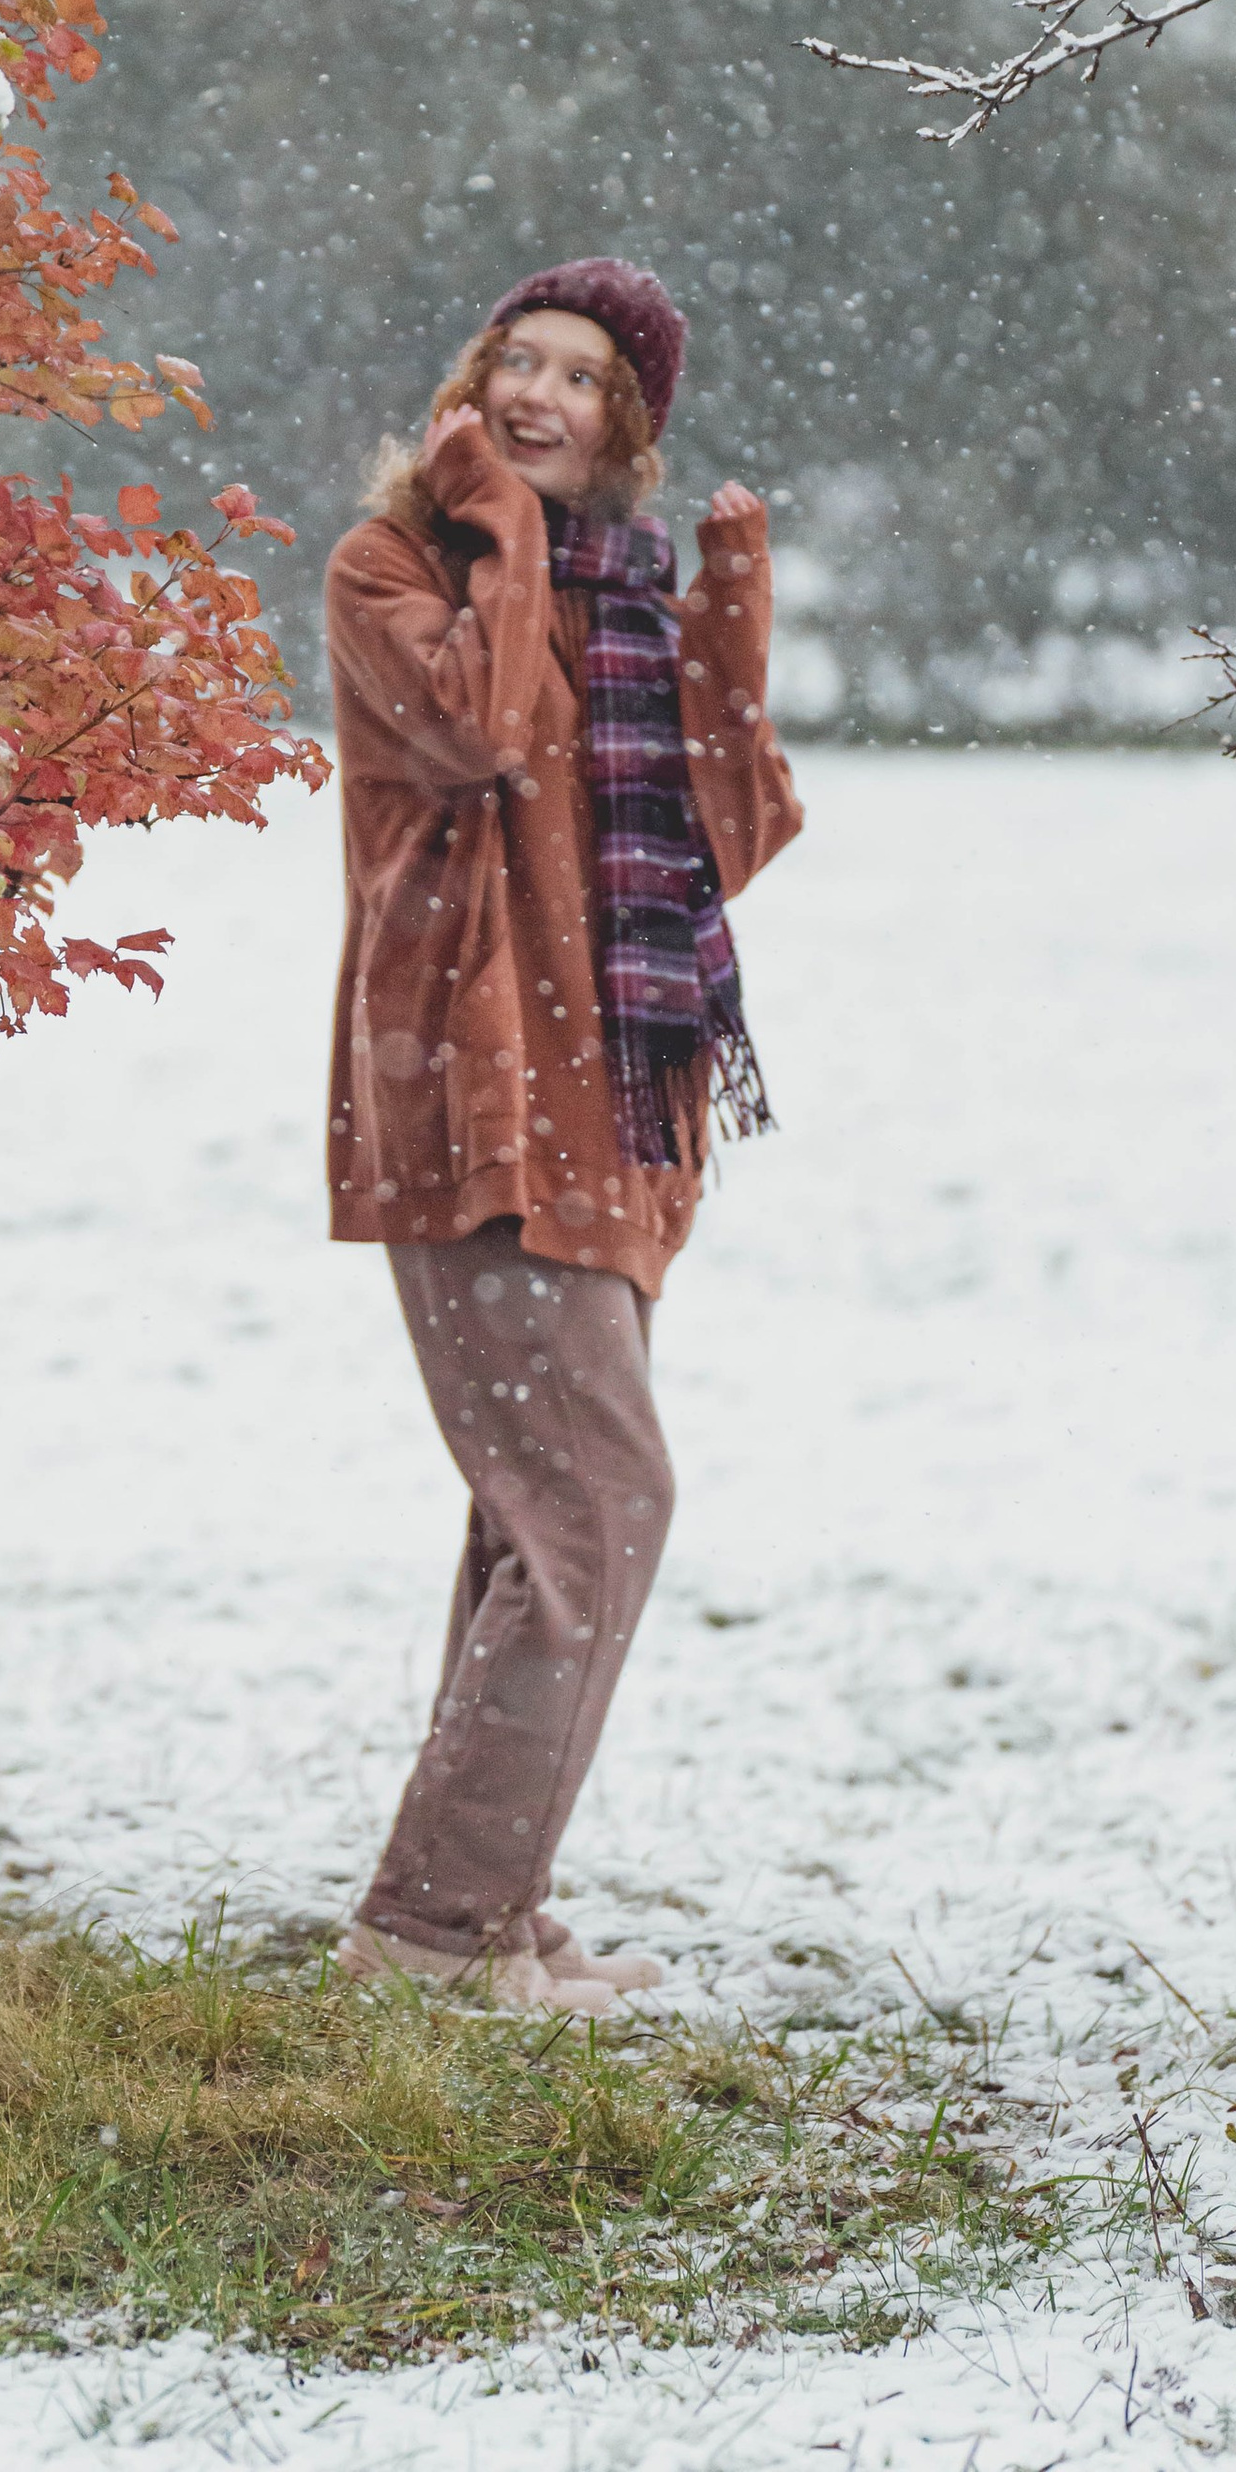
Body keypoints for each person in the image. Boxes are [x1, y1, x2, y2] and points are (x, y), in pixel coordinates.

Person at [323, 258, 803, 2016]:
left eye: (583, 378)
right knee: (601, 1507)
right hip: (469, 1094)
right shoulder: (397, 570)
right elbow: (478, 728)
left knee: (534, 1524)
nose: (539, 395)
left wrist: (733, 609)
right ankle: (428, 1936)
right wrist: (499, 540)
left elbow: (728, 833)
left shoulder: (629, 590)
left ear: (632, 426)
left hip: (616, 1106)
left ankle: (485, 1914)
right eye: (516, 362)